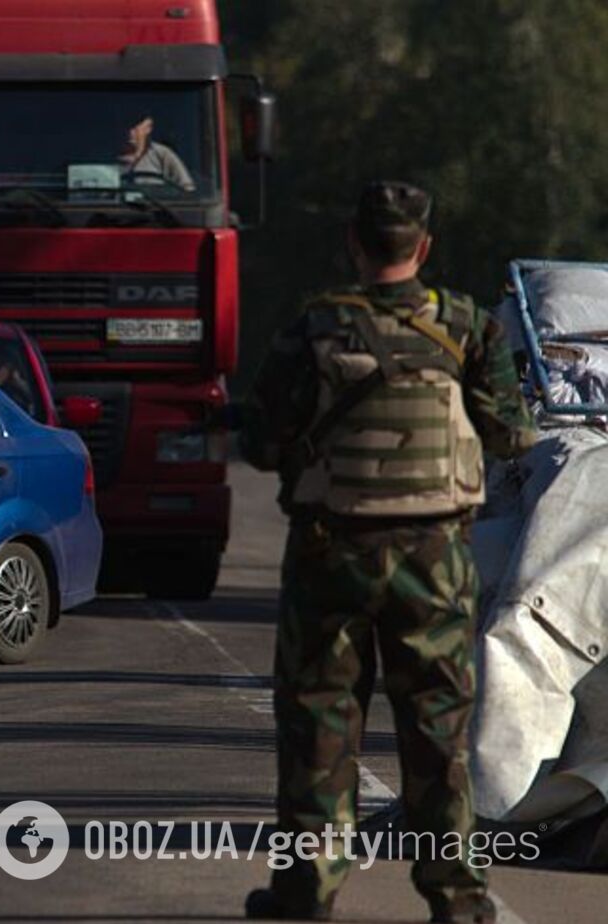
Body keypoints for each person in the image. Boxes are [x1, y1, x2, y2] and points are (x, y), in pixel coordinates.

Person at [238, 182, 536, 923]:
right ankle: (458, 897)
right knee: (438, 728)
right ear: (424, 247)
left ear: (354, 243)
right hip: (435, 560)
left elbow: (263, 441)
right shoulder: (467, 326)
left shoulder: (314, 327)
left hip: (328, 555)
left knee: (318, 722)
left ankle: (305, 893)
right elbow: (509, 436)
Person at [119, 115, 195, 192]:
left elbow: (187, 189)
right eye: (127, 127)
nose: (130, 132)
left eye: (135, 128)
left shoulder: (162, 154)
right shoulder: (109, 158)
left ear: (148, 128)